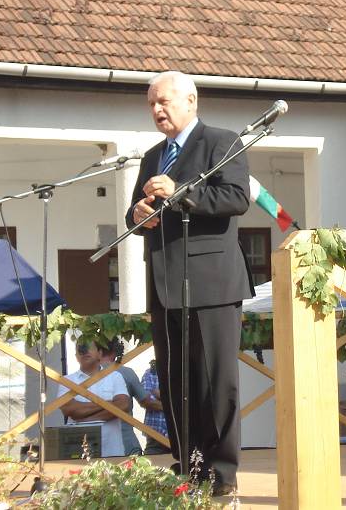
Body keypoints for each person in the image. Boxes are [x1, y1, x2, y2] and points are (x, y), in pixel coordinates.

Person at [126, 70, 254, 495]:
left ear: (191, 100)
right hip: (166, 286)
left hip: (212, 283)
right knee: (175, 383)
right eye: (151, 104)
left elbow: (236, 198)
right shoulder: (152, 156)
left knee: (215, 383)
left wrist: (180, 191)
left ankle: (221, 475)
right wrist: (138, 214)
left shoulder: (221, 142)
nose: (156, 110)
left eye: (163, 101)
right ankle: (188, 467)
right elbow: (136, 212)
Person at [57, 341, 130, 457]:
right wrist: (108, 404)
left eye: (89, 347)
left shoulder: (115, 377)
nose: (84, 351)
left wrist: (83, 418)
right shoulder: (66, 381)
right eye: (80, 349)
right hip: (78, 453)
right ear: (76, 357)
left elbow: (123, 405)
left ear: (100, 353)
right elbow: (69, 409)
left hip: (111, 451)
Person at [99, 338, 163, 456]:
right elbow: (146, 401)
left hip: (93, 442)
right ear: (115, 351)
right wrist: (173, 409)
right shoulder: (126, 373)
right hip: (125, 442)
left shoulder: (84, 377)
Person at [140, 359, 171, 455]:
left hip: (181, 437)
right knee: (151, 463)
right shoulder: (150, 373)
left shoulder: (185, 374)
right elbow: (147, 402)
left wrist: (160, 394)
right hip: (155, 436)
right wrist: (175, 406)